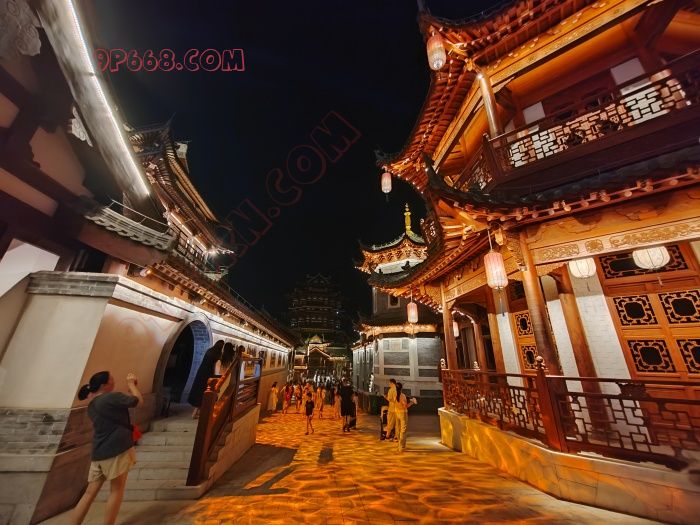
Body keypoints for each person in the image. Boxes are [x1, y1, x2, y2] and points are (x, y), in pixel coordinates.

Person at [69, 371, 143, 525]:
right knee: (116, 490)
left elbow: (126, 403)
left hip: (99, 452)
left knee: (89, 493)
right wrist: (131, 384)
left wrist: (132, 389)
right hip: (116, 449)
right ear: (104, 385)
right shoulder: (111, 397)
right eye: (111, 379)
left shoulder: (92, 405)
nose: (114, 381)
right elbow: (138, 401)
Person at [188, 340, 225, 418]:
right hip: (208, 374)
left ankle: (196, 413)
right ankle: (197, 413)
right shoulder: (218, 353)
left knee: (199, 391)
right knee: (205, 392)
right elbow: (216, 367)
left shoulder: (210, 350)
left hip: (201, 372)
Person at [394, 382, 417, 452]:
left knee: (398, 429)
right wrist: (412, 402)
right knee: (403, 430)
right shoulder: (402, 396)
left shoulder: (394, 395)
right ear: (401, 388)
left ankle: (399, 445)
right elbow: (405, 406)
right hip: (402, 413)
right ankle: (401, 446)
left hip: (396, 412)